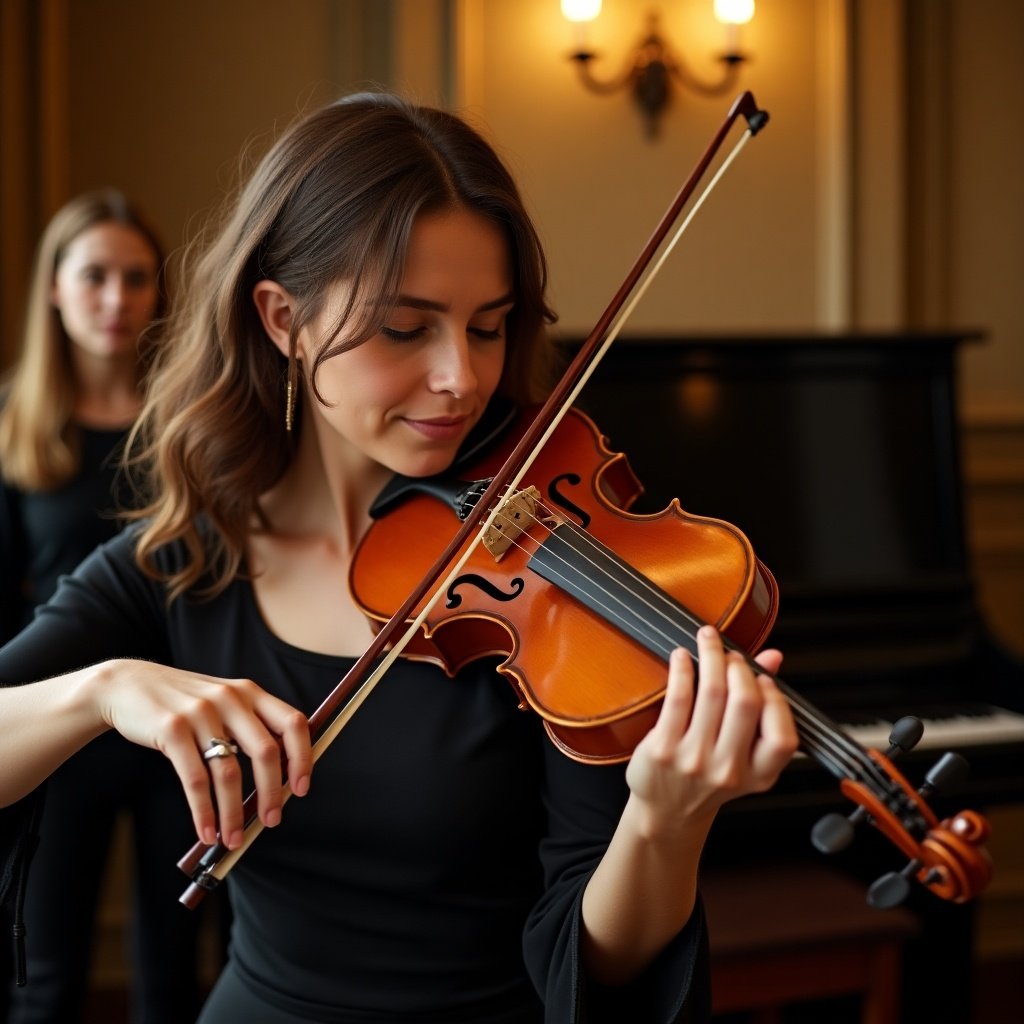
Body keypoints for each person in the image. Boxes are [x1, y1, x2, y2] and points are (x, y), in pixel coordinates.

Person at [0, 94, 798, 1023]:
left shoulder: (549, 576)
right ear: (282, 319)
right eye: (405, 328)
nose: (461, 376)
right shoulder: (184, 563)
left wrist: (666, 823)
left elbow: (597, 966)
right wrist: (99, 689)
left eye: (489, 326)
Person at [0, 190, 208, 1023]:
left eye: (135, 278)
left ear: (159, 291)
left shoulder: (189, 419)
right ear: (55, 287)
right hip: (60, 723)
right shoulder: (16, 420)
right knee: (45, 975)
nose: (116, 300)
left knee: (172, 968)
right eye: (94, 277)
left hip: (174, 722)